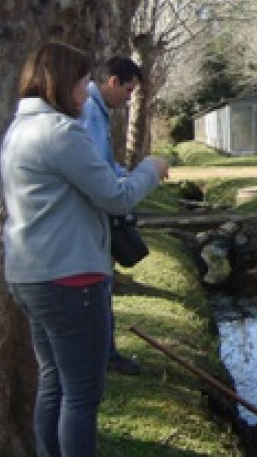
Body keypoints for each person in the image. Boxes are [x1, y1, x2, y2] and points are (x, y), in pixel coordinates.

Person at [2, 41, 167, 456]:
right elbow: (115, 196)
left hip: (31, 274)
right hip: (70, 277)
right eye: (81, 79)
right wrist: (151, 168)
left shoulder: (18, 130)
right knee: (81, 393)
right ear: (61, 82)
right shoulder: (61, 133)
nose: (86, 88)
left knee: (54, 381)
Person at [79, 56, 146, 376]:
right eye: (129, 91)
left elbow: (104, 164)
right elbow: (96, 173)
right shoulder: (91, 113)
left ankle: (107, 352)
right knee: (100, 287)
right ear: (113, 82)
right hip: (90, 224)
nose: (130, 99)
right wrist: (138, 180)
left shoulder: (98, 112)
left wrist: (127, 174)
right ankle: (106, 355)